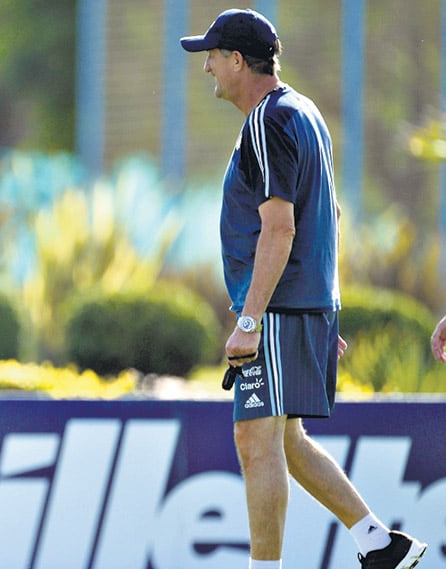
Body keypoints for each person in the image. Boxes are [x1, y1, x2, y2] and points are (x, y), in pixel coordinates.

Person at [180, 10, 427, 569]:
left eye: (213, 57)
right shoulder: (304, 111)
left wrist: (250, 321)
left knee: (255, 440)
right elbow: (330, 215)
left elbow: (282, 226)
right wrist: (323, 311)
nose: (208, 69)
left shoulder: (267, 120)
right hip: (301, 308)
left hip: (277, 311)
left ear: (239, 61)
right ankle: (376, 541)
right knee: (285, 440)